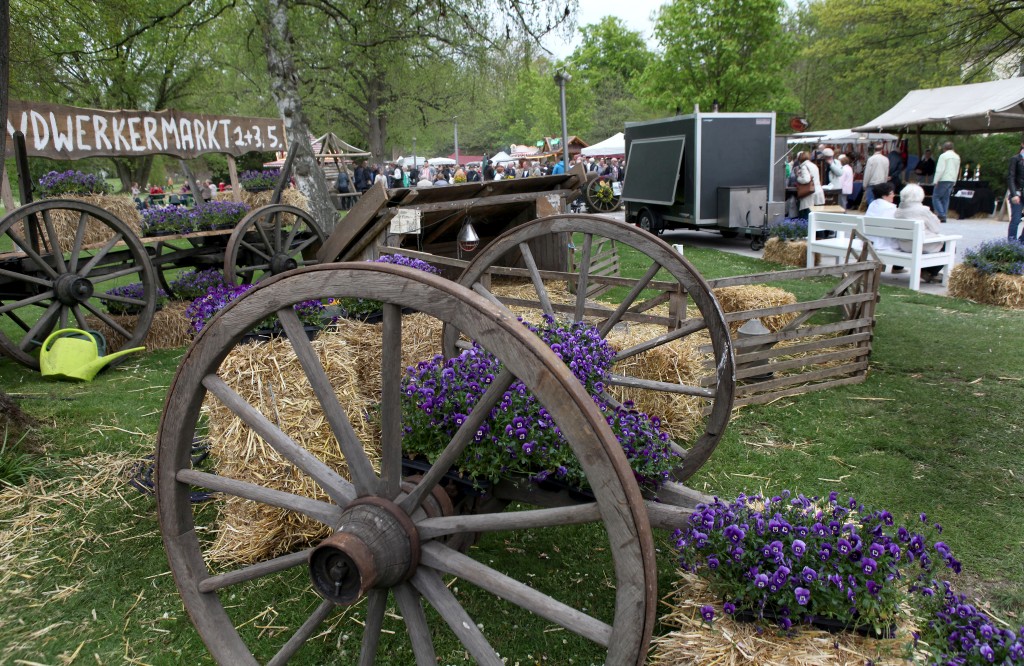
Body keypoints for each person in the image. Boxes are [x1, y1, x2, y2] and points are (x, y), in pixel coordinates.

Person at [894, 183, 946, 283]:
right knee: (948, 245)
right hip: (920, 245)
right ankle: (930, 272)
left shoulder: (898, 210)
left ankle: (926, 271)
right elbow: (936, 229)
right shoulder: (923, 210)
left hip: (904, 245)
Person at [864, 182, 905, 274]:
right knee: (904, 241)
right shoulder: (890, 208)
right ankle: (897, 268)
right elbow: (895, 228)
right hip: (882, 243)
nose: (894, 195)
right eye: (891, 193)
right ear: (884, 195)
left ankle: (895, 268)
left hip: (869, 240)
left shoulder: (872, 204)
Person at [932, 141, 960, 224]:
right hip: (952, 179)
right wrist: (955, 180)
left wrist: (936, 180)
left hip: (943, 179)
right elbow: (957, 170)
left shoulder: (943, 156)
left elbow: (940, 169)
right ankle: (944, 215)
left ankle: (941, 215)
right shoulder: (957, 157)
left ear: (944, 148)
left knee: (936, 197)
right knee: (946, 198)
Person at [794, 151, 823, 219]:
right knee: (815, 216)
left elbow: (806, 179)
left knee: (807, 215)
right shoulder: (814, 165)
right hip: (817, 191)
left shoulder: (804, 167)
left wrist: (798, 177)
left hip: (809, 193)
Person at [862, 143, 889, 208]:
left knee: (871, 200)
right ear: (882, 150)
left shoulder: (871, 159)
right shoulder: (886, 159)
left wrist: (865, 184)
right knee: (879, 201)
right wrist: (885, 183)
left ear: (874, 150)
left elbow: (867, 173)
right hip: (881, 183)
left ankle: (872, 211)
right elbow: (886, 173)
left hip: (872, 183)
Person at [1007, 139, 1024, 241]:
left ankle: (1022, 242)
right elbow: (1011, 177)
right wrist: (1014, 194)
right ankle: (1011, 244)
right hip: (1018, 193)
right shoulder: (1015, 159)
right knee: (1016, 219)